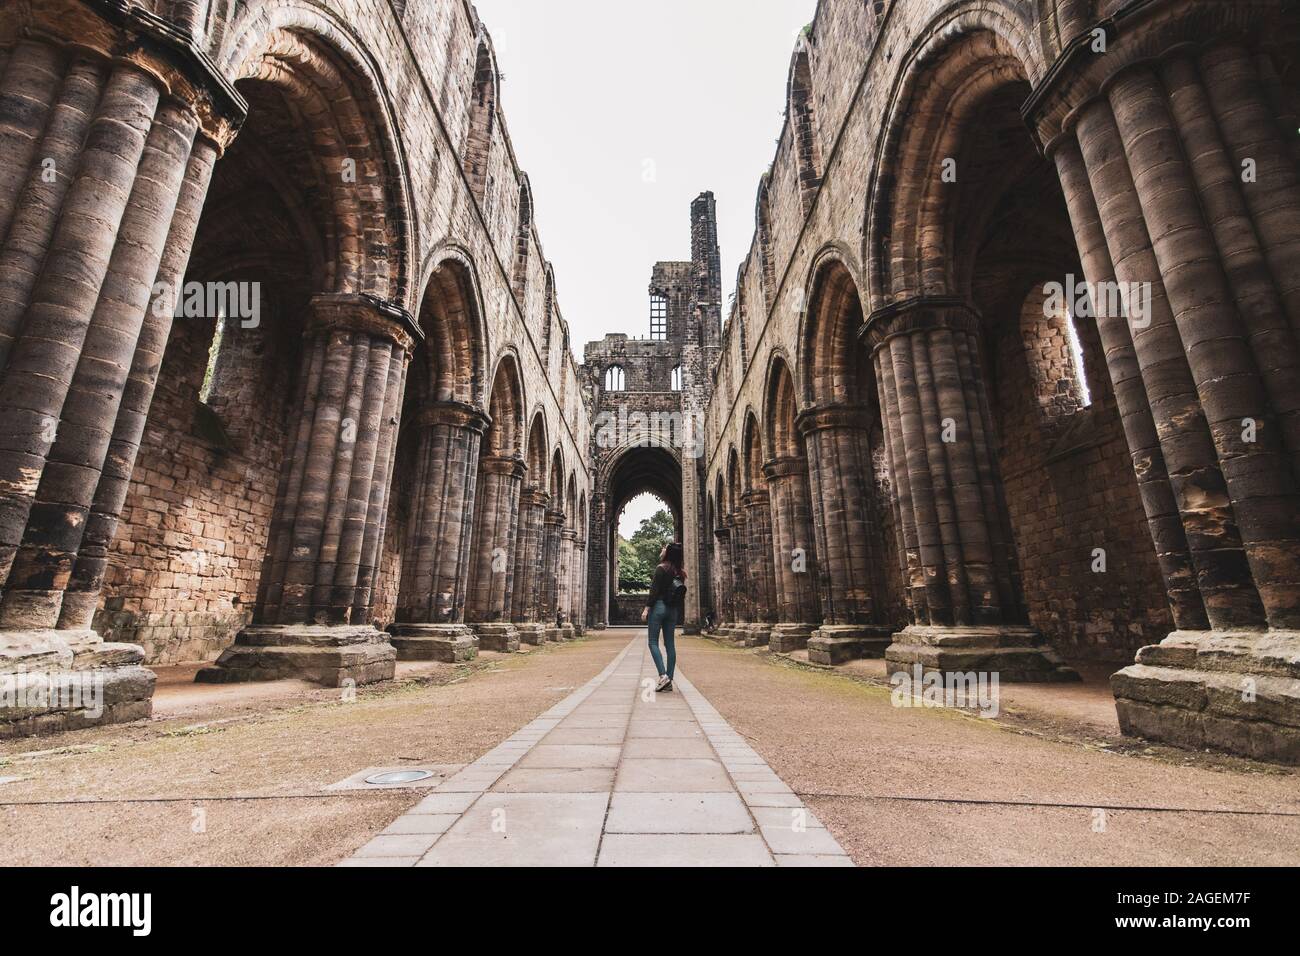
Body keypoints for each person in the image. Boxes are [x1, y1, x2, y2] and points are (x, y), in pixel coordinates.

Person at [641, 541, 686, 692]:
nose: (662, 549)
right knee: (670, 645)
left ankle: (663, 676)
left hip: (659, 607)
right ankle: (670, 680)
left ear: (668, 553)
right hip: (672, 610)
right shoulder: (680, 572)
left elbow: (653, 592)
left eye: (664, 548)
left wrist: (646, 609)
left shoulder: (661, 568)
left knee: (653, 642)